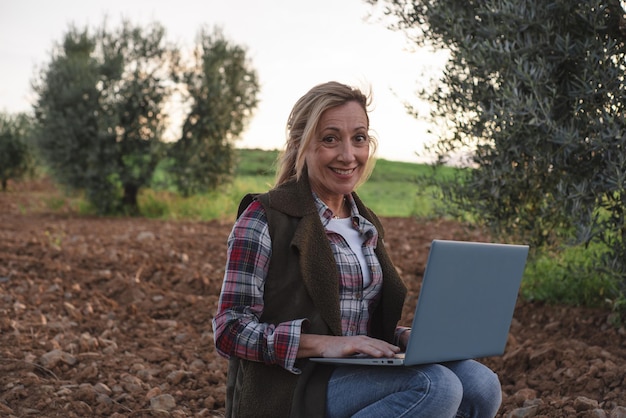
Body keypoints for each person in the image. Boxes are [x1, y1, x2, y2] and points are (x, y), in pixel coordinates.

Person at [212, 81, 502, 418]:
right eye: (330, 139)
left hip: (358, 372)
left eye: (359, 138)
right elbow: (229, 330)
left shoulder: (365, 223)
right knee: (434, 385)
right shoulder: (264, 218)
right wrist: (325, 344)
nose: (348, 155)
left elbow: (353, 325)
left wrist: (408, 336)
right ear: (300, 145)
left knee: (482, 384)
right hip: (295, 384)